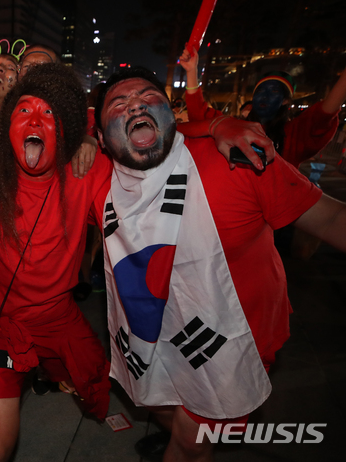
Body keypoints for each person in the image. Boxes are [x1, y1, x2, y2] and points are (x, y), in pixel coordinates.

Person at [95, 66, 346, 462]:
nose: (135, 106)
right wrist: (215, 122)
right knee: (160, 404)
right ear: (100, 140)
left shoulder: (239, 157)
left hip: (233, 336)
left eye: (147, 97)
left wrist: (218, 124)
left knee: (190, 446)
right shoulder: (96, 176)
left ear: (172, 117)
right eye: (119, 103)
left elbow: (330, 219)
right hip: (151, 337)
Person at [0, 63, 114, 461]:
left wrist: (89, 137)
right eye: (23, 111)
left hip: (60, 317)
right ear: (7, 129)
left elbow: (139, 156)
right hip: (3, 326)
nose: (35, 119)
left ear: (65, 128)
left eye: (49, 113)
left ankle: (52, 371)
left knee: (98, 391)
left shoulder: (86, 171)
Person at [179, 47, 346, 167]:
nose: (264, 96)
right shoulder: (232, 127)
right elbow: (200, 114)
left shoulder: (294, 135)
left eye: (274, 91)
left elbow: (324, 113)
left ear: (285, 101)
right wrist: (192, 71)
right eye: (260, 90)